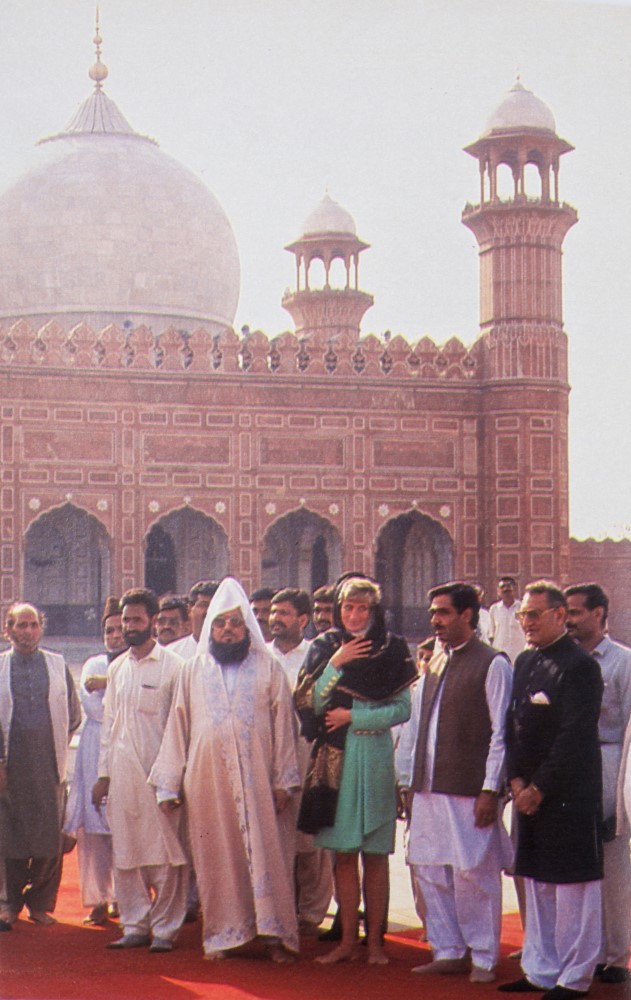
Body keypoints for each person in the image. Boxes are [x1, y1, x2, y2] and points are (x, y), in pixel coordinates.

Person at [149, 577, 300, 962]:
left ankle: (273, 935)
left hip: (259, 782)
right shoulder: (193, 669)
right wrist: (168, 785)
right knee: (217, 858)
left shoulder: (269, 668)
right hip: (208, 782)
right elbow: (177, 727)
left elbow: (285, 727)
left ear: (247, 626)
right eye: (220, 623)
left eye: (234, 622)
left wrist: (284, 779)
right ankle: (224, 935)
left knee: (269, 855)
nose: (228, 630)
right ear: (210, 628)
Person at [295, 574, 416, 965]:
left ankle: (376, 944)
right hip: (336, 760)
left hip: (375, 756)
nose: (354, 615)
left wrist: (355, 714)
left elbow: (402, 709)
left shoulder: (391, 648)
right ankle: (347, 941)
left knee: (376, 854)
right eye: (348, 607)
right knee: (344, 855)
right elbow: (310, 702)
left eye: (362, 607)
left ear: (373, 610)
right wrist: (335, 664)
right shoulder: (325, 646)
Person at [396, 582, 512, 984]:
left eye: (443, 613)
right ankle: (448, 950)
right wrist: (407, 778)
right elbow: (417, 727)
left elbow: (501, 732)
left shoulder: (493, 663)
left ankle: (483, 955)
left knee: (472, 873)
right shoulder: (437, 660)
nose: (435, 621)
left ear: (467, 614)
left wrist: (490, 789)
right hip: (429, 785)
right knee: (429, 867)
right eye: (433, 613)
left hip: (467, 787)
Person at [499, 581, 604, 1000]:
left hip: (566, 792)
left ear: (560, 615)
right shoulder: (525, 661)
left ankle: (574, 977)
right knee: (537, 882)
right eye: (523, 615)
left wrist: (540, 786)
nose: (526, 623)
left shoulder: (579, 666)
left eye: (534, 615)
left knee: (573, 886)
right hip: (528, 792)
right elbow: (513, 726)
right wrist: (516, 781)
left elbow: (574, 735)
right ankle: (541, 969)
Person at [92, 588, 187, 953]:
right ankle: (134, 924)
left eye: (136, 620)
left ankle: (164, 930)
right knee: (127, 853)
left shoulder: (174, 667)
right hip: (123, 775)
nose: (129, 626)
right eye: (125, 620)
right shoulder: (117, 669)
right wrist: (104, 776)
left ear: (152, 621)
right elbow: (109, 726)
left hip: (160, 778)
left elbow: (179, 729)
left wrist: (171, 783)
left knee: (165, 856)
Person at [564, 582, 631, 985]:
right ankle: (577, 948)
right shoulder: (563, 660)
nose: (569, 619)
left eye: (575, 611)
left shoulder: (622, 662)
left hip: (607, 760)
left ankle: (616, 953)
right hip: (566, 766)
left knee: (612, 859)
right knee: (570, 863)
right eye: (566, 612)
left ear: (599, 613)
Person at [0, 602, 81, 926]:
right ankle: (8, 902)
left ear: (41, 628)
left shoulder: (57, 665)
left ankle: (41, 903)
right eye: (21, 625)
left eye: (33, 625)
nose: (28, 632)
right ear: (8, 630)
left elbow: (73, 715)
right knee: (8, 834)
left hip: (48, 762)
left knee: (50, 834)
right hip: (9, 765)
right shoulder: (1, 667)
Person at [268, 588, 333, 936]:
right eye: (273, 613)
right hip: (270, 757)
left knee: (311, 841)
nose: (275, 619)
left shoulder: (318, 657)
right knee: (276, 838)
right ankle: (279, 910)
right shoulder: (260, 657)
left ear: (303, 619)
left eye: (284, 613)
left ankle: (310, 915)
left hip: (309, 752)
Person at [64, 597, 126, 926]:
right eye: (109, 630)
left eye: (120, 629)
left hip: (127, 748)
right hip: (95, 746)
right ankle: (99, 899)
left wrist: (110, 686)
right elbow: (98, 709)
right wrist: (118, 687)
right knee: (96, 833)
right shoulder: (93, 663)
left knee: (125, 828)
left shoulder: (138, 664)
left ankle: (123, 897)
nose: (115, 635)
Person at [489, 577, 525, 664]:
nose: (506, 589)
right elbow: (491, 635)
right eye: (502, 587)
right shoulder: (494, 609)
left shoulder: (522, 608)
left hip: (519, 655)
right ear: (498, 591)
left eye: (509, 586)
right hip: (500, 655)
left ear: (515, 589)